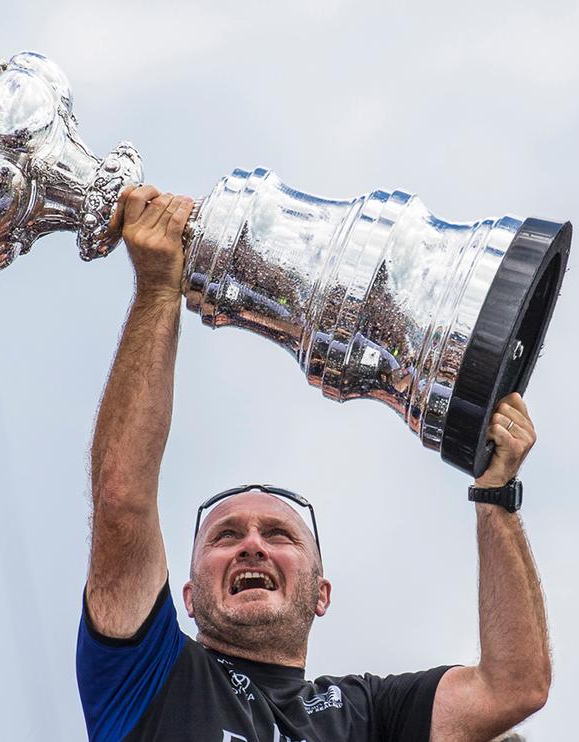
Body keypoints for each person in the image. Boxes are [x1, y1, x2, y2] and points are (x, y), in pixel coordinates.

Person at [76, 185, 551, 742]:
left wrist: (496, 496)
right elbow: (122, 503)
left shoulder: (369, 714)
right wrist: (157, 289)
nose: (251, 543)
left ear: (321, 591)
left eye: (279, 534)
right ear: (186, 596)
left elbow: (514, 687)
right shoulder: (147, 674)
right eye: (225, 537)